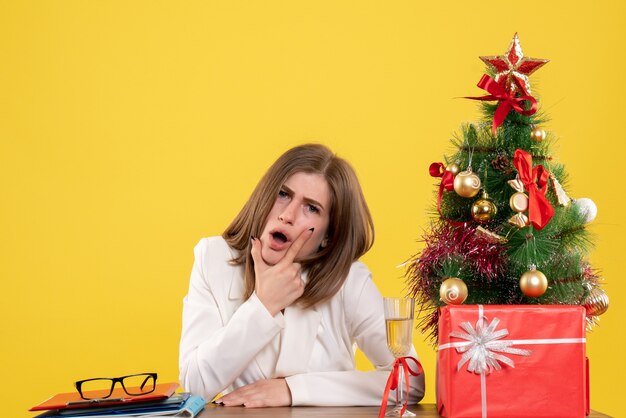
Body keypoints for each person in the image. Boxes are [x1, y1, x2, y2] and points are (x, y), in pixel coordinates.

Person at [178, 143, 424, 407]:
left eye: (312, 208)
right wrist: (263, 306)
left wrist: (294, 390)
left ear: (327, 237)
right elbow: (195, 385)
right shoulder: (213, 258)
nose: (287, 215)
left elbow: (409, 380)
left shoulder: (349, 280)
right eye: (283, 194)